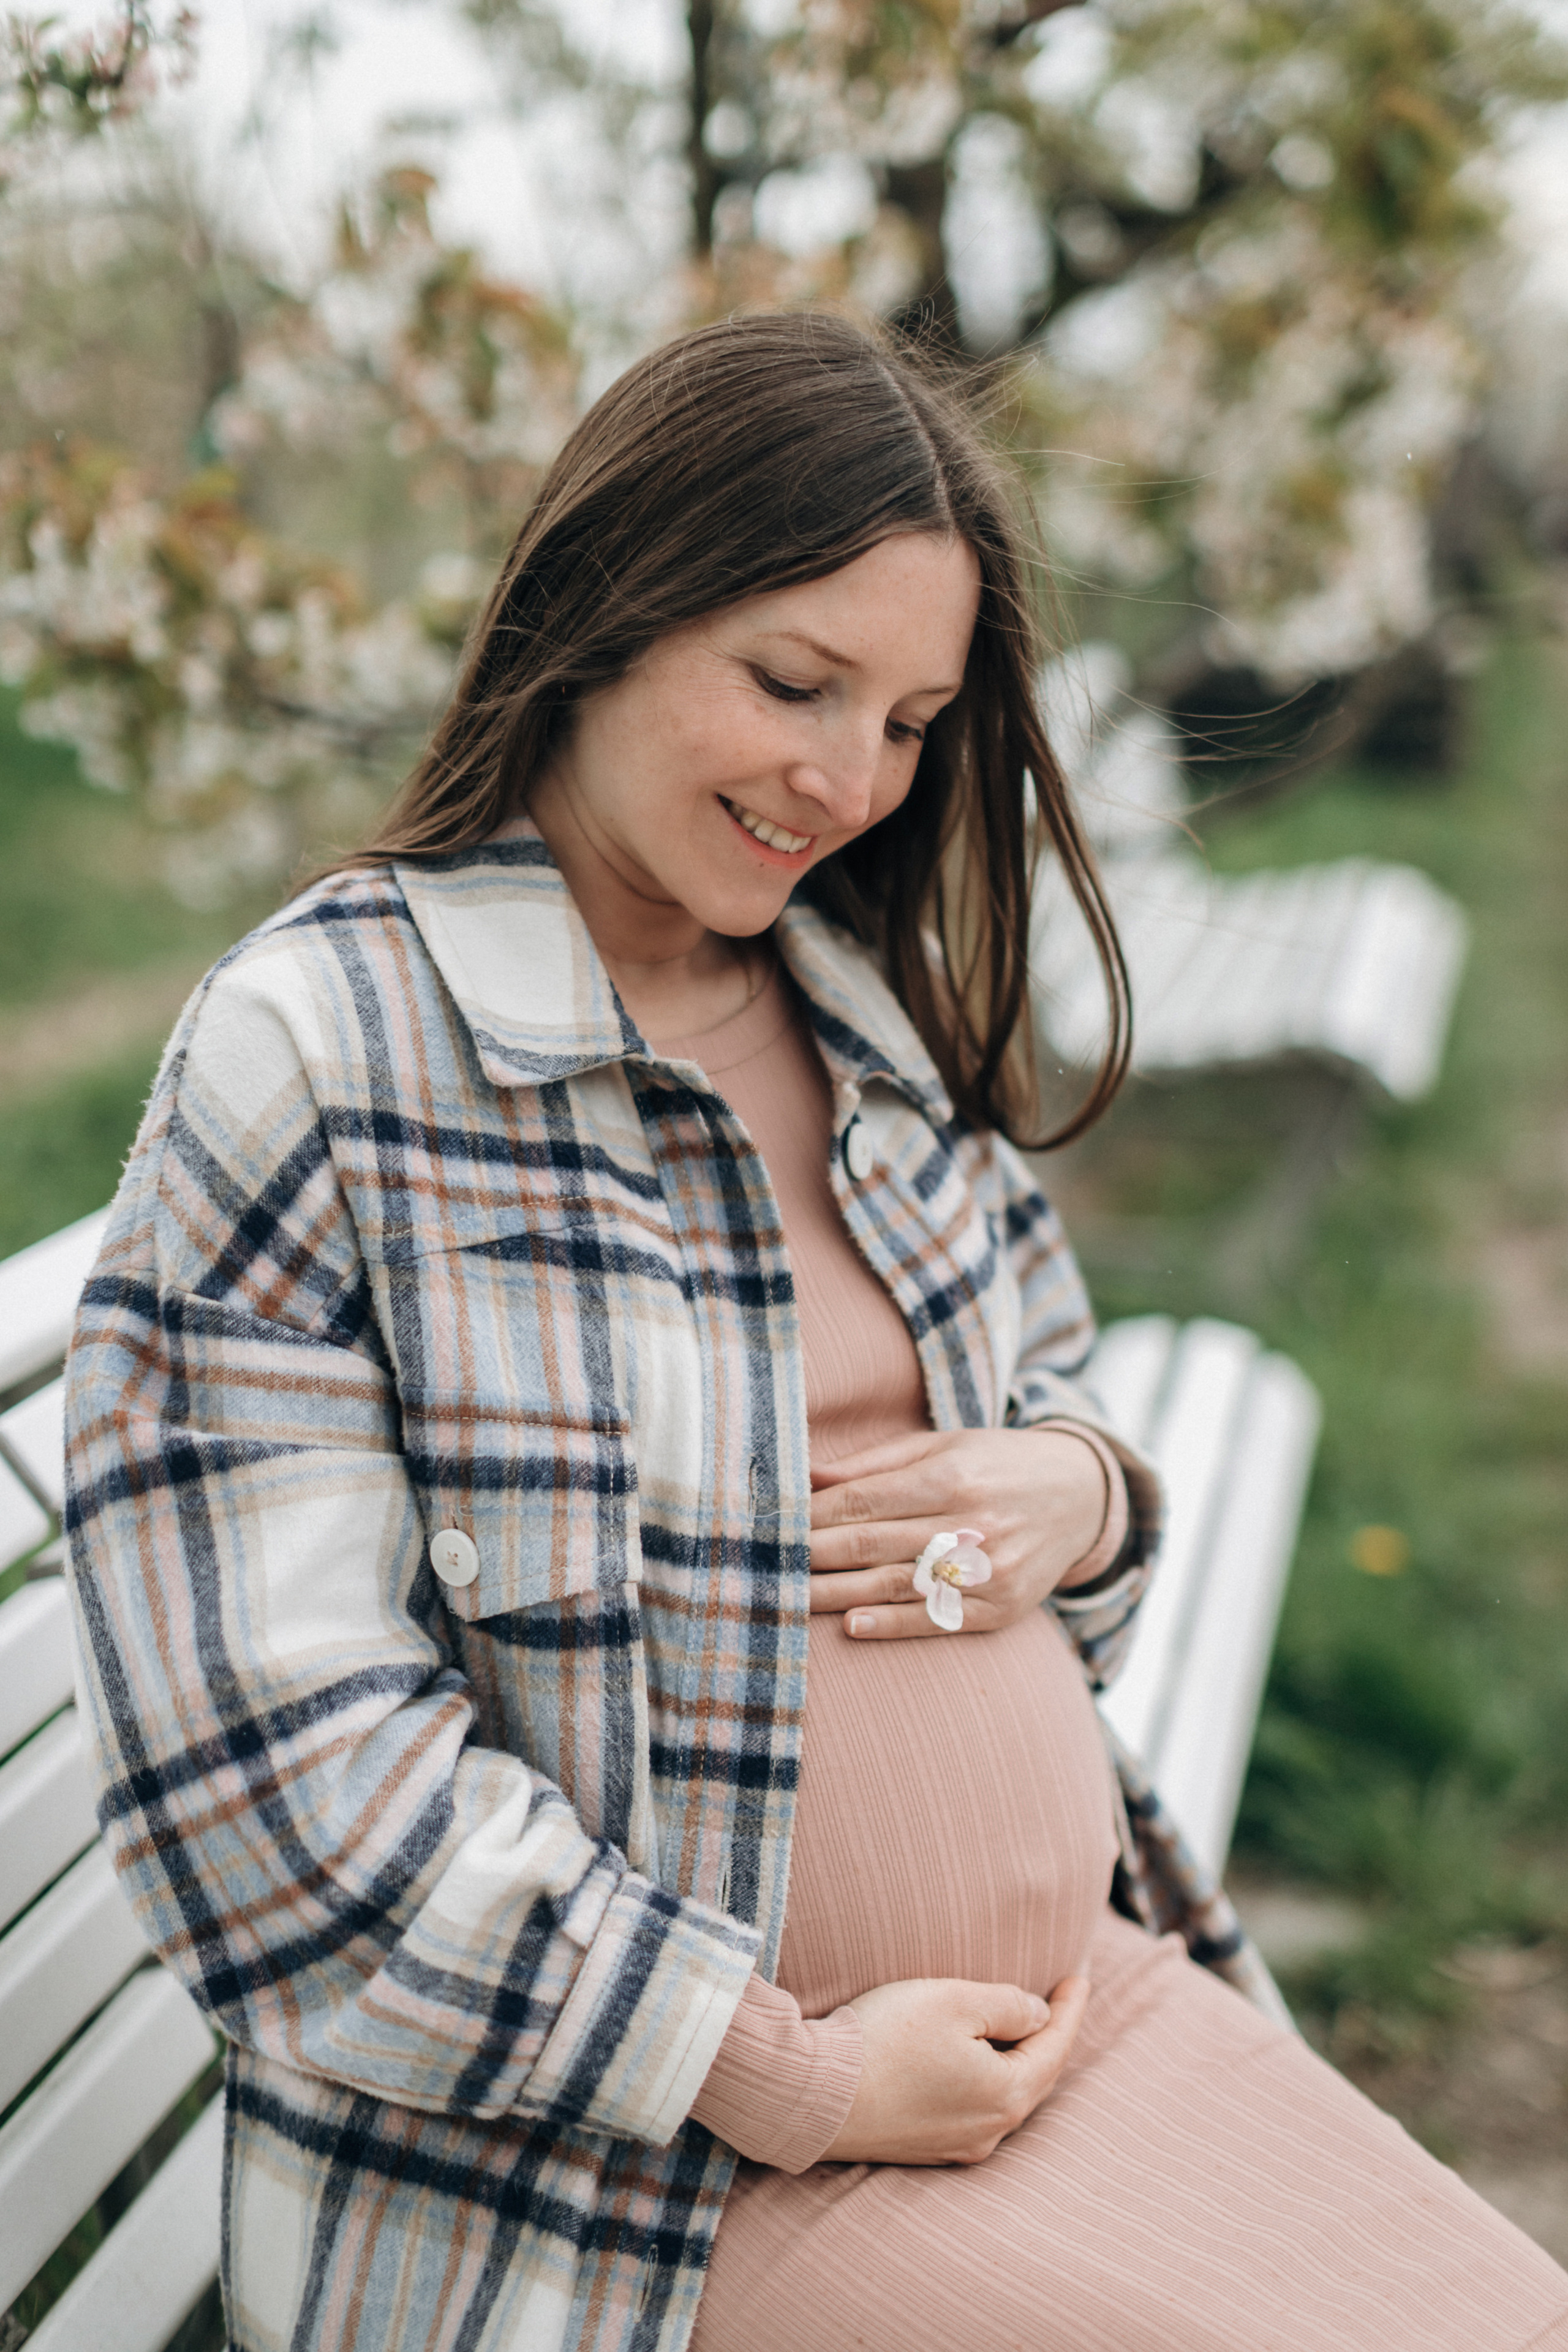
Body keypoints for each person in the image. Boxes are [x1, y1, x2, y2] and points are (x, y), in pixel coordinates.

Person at [64, 311, 1567, 2352]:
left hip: (1071, 2015)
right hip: (619, 2185)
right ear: (604, 606)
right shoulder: (322, 1057)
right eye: (794, 684)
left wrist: (1078, 1492)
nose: (848, 780)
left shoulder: (844, 1009)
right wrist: (792, 2073)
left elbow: (1046, 1400)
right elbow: (273, 1780)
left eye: (910, 719)